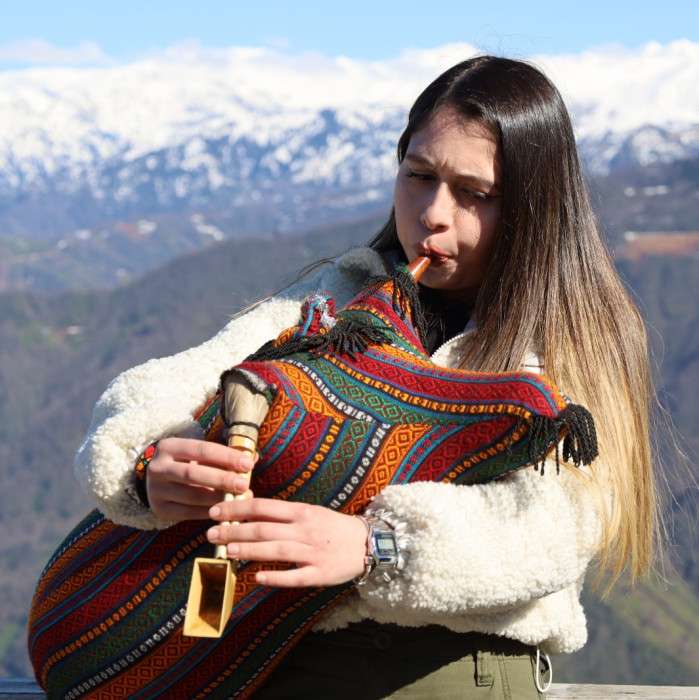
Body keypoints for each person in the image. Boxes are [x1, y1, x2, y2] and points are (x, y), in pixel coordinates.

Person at [74, 55, 658, 698]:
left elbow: (556, 530)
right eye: (420, 176)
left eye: (475, 194)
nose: (434, 213)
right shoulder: (334, 297)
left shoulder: (572, 334)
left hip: (448, 672)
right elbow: (167, 384)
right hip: (273, 658)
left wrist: (376, 545)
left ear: (534, 209)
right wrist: (146, 467)